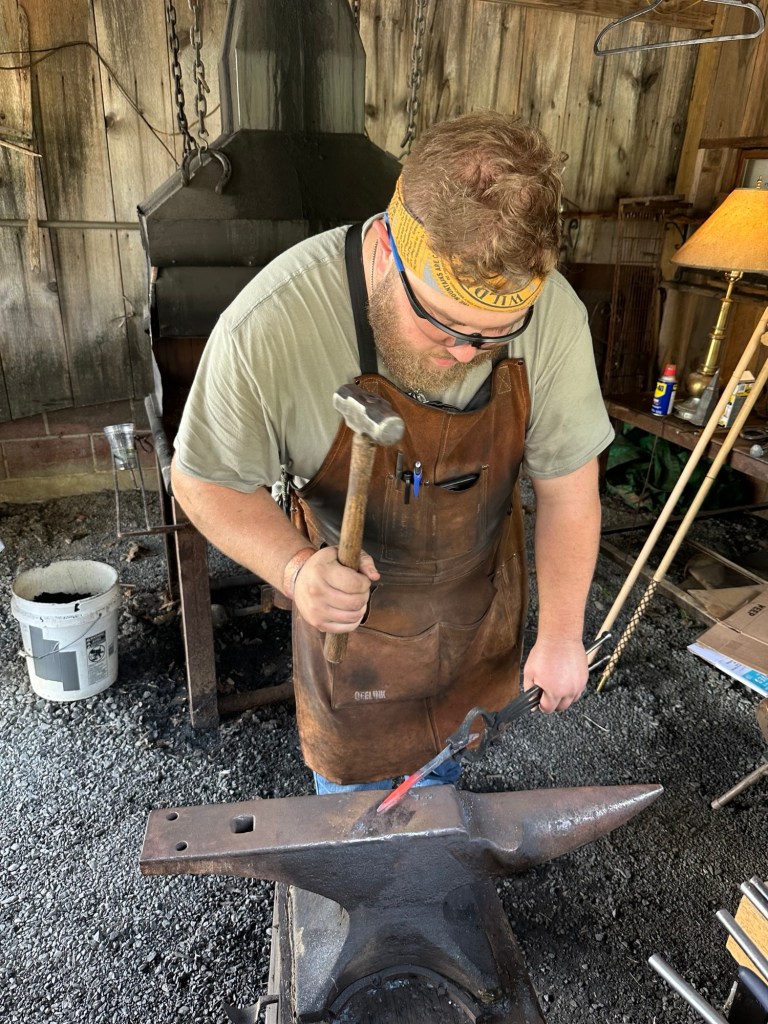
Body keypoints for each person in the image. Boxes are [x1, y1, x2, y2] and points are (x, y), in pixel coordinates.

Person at [171, 110, 614, 795]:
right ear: (386, 250)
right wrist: (295, 570)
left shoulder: (553, 314)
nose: (466, 353)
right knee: (362, 827)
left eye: (494, 335)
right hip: (357, 641)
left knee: (446, 786)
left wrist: (560, 635)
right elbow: (203, 480)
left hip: (474, 613)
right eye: (443, 323)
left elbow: (568, 490)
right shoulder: (271, 324)